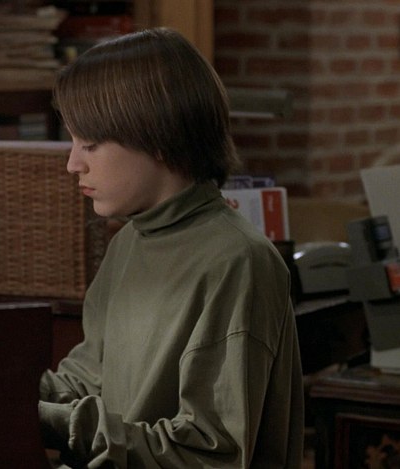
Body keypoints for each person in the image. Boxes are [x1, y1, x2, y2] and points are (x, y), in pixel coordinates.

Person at [38, 27, 304, 468]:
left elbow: (210, 452)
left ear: (157, 138)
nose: (72, 163)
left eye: (90, 143)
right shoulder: (128, 242)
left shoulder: (238, 261)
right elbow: (86, 380)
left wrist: (54, 422)